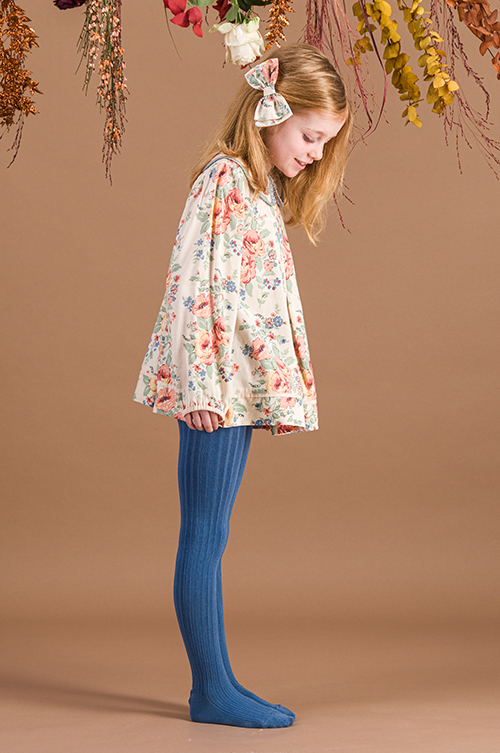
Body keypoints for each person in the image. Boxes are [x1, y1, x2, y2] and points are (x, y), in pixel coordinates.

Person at [133, 43, 352, 728]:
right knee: (203, 532)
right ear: (272, 112)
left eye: (326, 142)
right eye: (311, 137)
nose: (316, 153)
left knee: (213, 531)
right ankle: (210, 691)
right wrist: (199, 384)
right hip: (216, 387)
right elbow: (193, 281)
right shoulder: (224, 179)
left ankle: (220, 681)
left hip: (236, 384)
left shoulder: (257, 188)